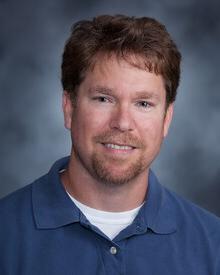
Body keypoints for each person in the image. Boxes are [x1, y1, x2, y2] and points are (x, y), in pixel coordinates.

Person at [0, 15, 220, 275]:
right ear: (69, 108)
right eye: (104, 99)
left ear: (166, 119)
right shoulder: (5, 233)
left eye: (143, 104)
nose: (123, 123)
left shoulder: (213, 244)